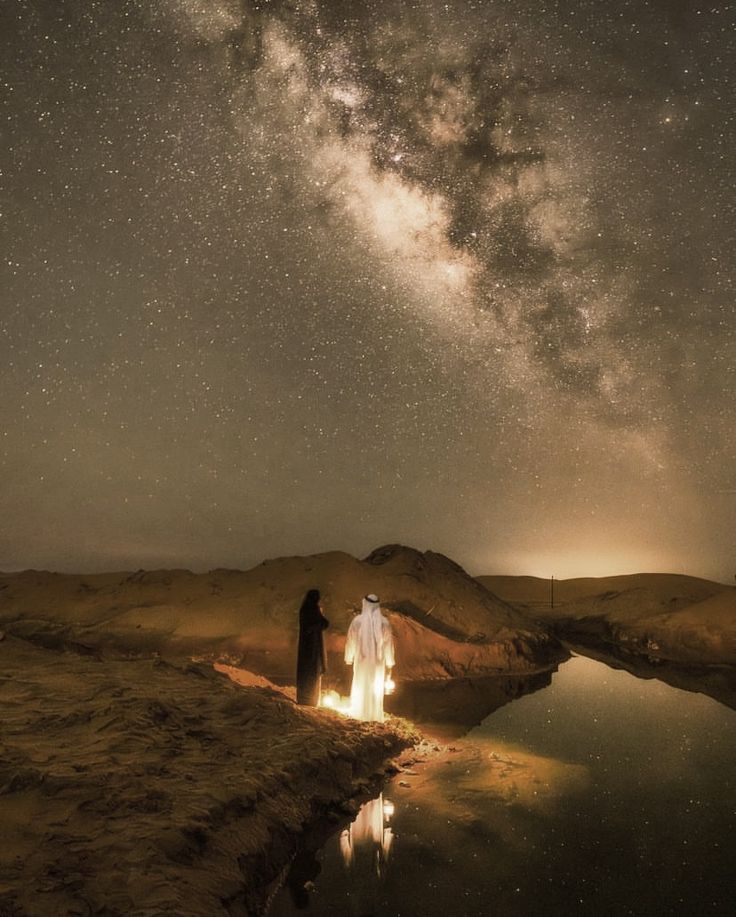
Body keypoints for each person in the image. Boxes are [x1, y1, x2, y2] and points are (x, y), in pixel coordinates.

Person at [344, 594, 395, 722]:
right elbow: (389, 644)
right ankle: (373, 715)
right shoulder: (384, 622)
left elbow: (351, 640)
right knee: (375, 687)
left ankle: (360, 713)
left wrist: (349, 657)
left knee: (361, 685)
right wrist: (389, 662)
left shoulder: (357, 621)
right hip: (378, 663)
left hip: (362, 661)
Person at [296, 589, 329, 706]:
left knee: (307, 673)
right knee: (312, 673)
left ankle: (305, 699)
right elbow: (324, 623)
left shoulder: (305, 609)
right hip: (313, 646)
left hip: (307, 646)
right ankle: (309, 700)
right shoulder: (313, 610)